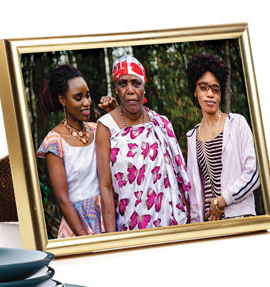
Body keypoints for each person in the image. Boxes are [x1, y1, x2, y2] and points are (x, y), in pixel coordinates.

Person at [95, 56, 192, 231]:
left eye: (136, 83)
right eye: (123, 84)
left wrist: (190, 222)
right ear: (116, 88)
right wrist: (111, 239)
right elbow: (105, 187)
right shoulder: (106, 127)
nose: (130, 90)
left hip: (172, 224)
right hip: (130, 227)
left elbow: (177, 178)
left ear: (144, 88)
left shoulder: (161, 124)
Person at [35, 65, 116, 238]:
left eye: (87, 95)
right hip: (79, 224)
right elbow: (62, 199)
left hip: (110, 214)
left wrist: (113, 116)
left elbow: (122, 160)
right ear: (62, 100)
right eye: (78, 98)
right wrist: (84, 238)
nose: (86, 102)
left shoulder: (97, 129)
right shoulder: (54, 141)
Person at [184, 53, 259, 222]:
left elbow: (253, 174)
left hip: (240, 218)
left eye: (215, 89)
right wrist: (197, 225)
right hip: (210, 224)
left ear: (220, 94)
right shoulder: (192, 136)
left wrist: (223, 201)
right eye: (203, 87)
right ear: (195, 92)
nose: (210, 94)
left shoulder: (237, 123)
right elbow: (194, 192)